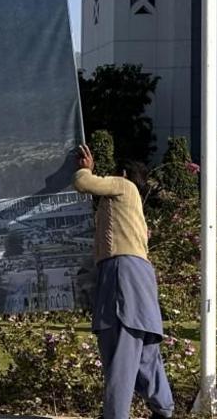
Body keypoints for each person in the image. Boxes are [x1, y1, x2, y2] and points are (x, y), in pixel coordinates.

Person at [73, 144, 173, 419]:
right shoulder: (132, 205)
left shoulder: (124, 186)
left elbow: (84, 182)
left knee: (121, 348)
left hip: (122, 272)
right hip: (138, 274)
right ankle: (163, 407)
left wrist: (86, 168)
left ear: (125, 173)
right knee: (144, 351)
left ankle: (115, 415)